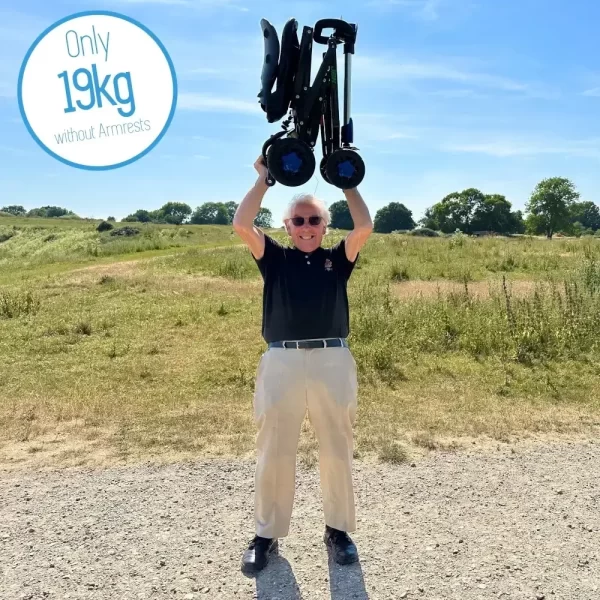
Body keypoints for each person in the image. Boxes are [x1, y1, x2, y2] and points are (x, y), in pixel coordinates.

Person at [232, 154, 373, 576]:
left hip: (332, 357)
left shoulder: (339, 259)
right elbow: (242, 223)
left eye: (314, 221)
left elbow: (363, 226)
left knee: (336, 446)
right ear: (287, 227)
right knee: (274, 448)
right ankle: (265, 535)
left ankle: (338, 531)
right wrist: (265, 179)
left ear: (325, 227)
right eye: (299, 222)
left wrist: (346, 180)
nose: (307, 228)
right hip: (282, 359)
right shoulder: (274, 258)